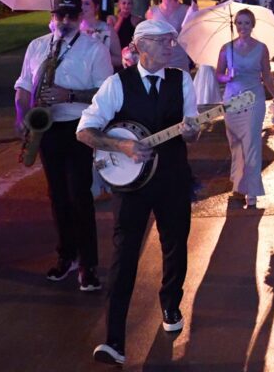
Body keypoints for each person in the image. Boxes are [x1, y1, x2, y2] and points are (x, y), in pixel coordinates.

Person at [76, 20, 200, 366]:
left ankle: (171, 302)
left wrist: (192, 133)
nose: (170, 47)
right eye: (163, 42)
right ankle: (113, 339)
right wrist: (121, 147)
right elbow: (84, 130)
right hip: (132, 187)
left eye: (171, 41)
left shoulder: (182, 80)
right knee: (124, 256)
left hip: (173, 178)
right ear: (140, 47)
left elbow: (192, 132)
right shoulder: (117, 84)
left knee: (175, 245)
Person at [15, 0, 115, 292]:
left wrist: (67, 95)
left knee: (79, 196)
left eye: (72, 16)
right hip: (47, 128)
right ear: (53, 16)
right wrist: (21, 115)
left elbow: (104, 93)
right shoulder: (37, 46)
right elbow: (22, 85)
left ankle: (89, 264)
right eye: (61, 16)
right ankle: (67, 255)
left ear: (81, 18)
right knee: (57, 196)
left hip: (78, 126)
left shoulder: (94, 49)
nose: (66, 21)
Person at [215, 8, 274, 209]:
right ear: (235, 26)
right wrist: (227, 77)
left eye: (247, 23)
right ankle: (238, 185)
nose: (243, 27)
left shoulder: (261, 48)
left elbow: (267, 75)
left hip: (253, 98)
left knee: (252, 144)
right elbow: (218, 74)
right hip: (232, 100)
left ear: (253, 26)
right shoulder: (226, 48)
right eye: (239, 23)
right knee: (236, 145)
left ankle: (252, 191)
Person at [146, 0, 195, 71]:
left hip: (179, 61)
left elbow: (192, 36)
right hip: (158, 62)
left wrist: (194, 15)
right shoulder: (152, 11)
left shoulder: (186, 10)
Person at [80, 0, 121, 68]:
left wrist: (98, 58)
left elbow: (118, 59)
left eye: (87, 3)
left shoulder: (107, 29)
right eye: (80, 3)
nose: (82, 7)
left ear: (96, 7)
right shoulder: (73, 28)